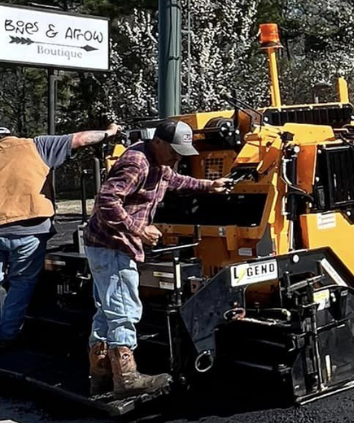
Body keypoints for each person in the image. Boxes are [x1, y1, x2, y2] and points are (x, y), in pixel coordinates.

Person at [83, 120, 232, 398]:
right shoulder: (136, 162)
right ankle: (126, 378)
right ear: (159, 142)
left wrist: (209, 185)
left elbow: (175, 181)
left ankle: (101, 375)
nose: (177, 157)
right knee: (124, 309)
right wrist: (138, 228)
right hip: (111, 244)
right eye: (174, 150)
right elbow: (106, 201)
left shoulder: (161, 164)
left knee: (107, 309)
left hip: (107, 244)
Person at [0, 121, 120, 345]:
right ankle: (6, 336)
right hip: (30, 230)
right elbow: (82, 138)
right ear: (12, 136)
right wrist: (109, 132)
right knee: (21, 283)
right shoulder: (36, 145)